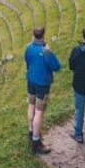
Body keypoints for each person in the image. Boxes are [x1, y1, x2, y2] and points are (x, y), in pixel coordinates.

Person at [24, 26, 61, 154]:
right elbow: (56, 67)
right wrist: (49, 52)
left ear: (33, 34)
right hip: (42, 84)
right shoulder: (45, 51)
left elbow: (28, 62)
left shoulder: (28, 47)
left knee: (31, 105)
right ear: (43, 35)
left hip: (31, 80)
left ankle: (30, 131)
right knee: (39, 112)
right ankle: (36, 142)